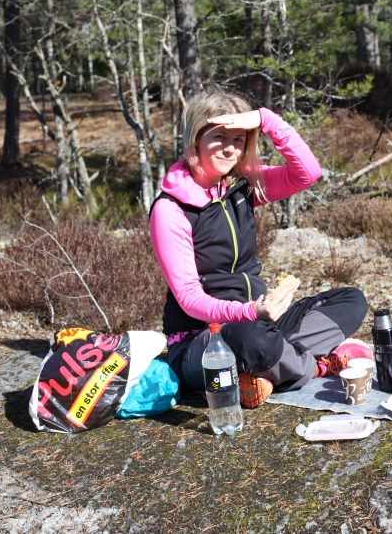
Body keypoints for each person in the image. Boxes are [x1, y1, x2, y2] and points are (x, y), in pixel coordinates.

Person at [150, 90, 370, 408]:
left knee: (351, 301)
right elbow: (190, 300)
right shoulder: (170, 209)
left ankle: (265, 368)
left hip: (258, 320)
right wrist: (249, 312)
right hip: (202, 340)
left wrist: (267, 120)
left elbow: (307, 173)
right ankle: (317, 365)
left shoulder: (242, 185)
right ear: (195, 138)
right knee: (248, 338)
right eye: (220, 137)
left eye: (239, 139)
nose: (230, 148)